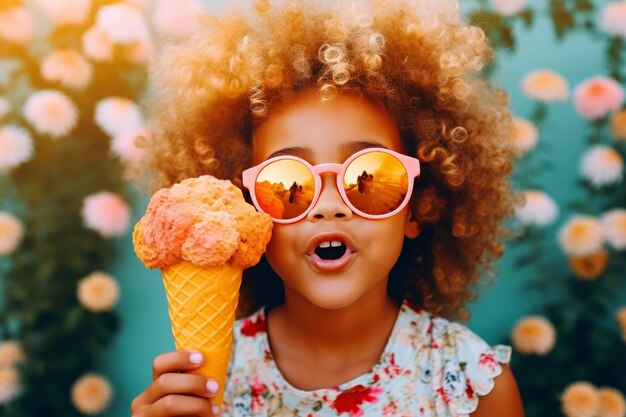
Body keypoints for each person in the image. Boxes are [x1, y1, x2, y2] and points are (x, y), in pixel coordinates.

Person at [129, 0, 525, 416]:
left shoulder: (473, 385)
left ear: (417, 206)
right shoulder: (208, 386)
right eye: (288, 184)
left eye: (370, 177)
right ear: (247, 215)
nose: (330, 207)